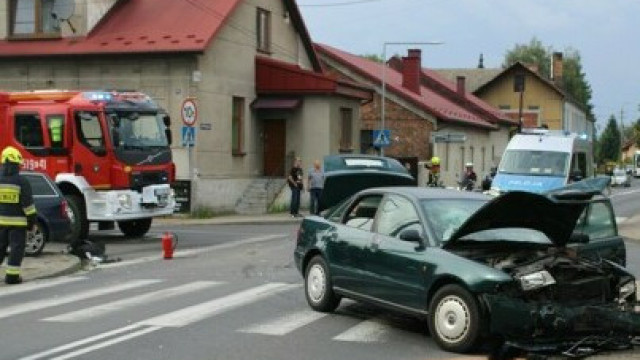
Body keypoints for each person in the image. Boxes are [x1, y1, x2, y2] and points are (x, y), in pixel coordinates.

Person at [0, 146, 37, 285]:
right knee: (16, 249)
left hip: (0, 223)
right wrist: (32, 222)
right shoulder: (22, 181)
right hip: (18, 224)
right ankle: (12, 277)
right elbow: (28, 206)